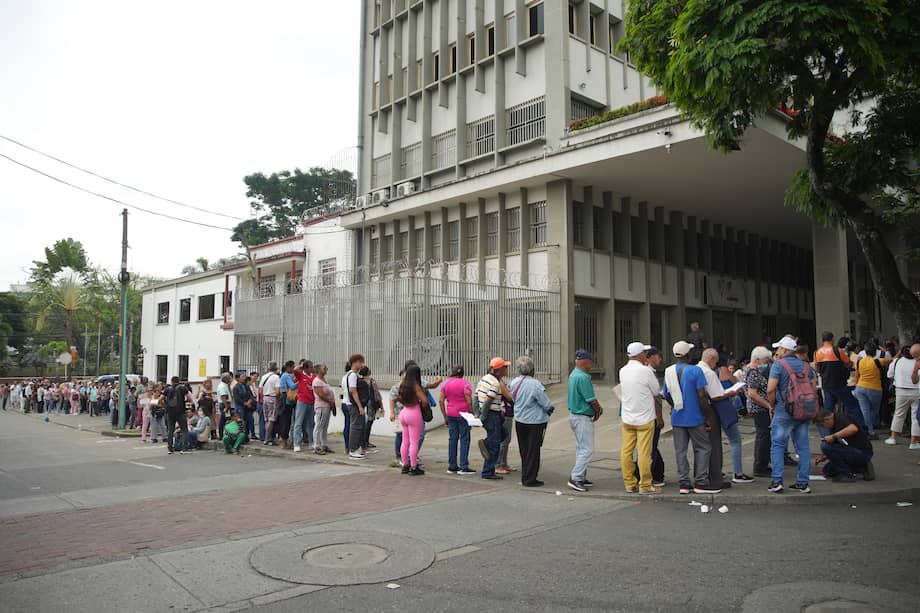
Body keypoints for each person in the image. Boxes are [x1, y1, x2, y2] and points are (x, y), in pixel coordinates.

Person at [662, 341, 719, 495]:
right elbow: (702, 395)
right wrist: (708, 416)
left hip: (677, 417)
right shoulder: (696, 371)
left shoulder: (668, 371)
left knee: (680, 451)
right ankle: (701, 481)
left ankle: (684, 483)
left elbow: (666, 395)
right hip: (695, 417)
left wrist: (676, 405)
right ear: (688, 354)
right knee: (703, 447)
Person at [766, 336, 814, 494]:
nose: (777, 351)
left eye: (779, 348)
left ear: (785, 350)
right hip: (804, 411)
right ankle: (803, 482)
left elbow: (771, 389)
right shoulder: (806, 366)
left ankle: (777, 481)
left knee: (778, 445)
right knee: (803, 447)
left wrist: (772, 405)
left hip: (783, 411)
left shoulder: (778, 365)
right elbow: (813, 389)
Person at [619, 342, 662, 494]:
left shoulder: (622, 371)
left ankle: (629, 483)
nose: (646, 355)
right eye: (644, 352)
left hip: (628, 417)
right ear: (639, 355)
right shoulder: (645, 371)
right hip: (645, 418)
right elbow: (656, 391)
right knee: (644, 453)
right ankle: (645, 485)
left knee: (626, 451)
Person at [699, 348, 745, 486]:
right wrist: (731, 393)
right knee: (718, 444)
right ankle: (718, 476)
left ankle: (706, 474)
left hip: (700, 411)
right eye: (715, 362)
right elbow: (717, 396)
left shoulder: (696, 370)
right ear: (712, 359)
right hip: (713, 411)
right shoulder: (709, 373)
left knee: (703, 446)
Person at [508, 356, 553, 487]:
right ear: (532, 370)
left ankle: (525, 475)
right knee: (534, 450)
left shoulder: (514, 382)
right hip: (535, 421)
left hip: (520, 419)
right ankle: (530, 478)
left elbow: (512, 397)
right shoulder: (535, 384)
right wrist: (550, 409)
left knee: (524, 449)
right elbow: (545, 403)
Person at [567, 350, 603, 492]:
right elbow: (591, 399)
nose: (591, 365)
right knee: (586, 449)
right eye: (590, 362)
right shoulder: (583, 377)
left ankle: (581, 476)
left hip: (575, 415)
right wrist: (599, 410)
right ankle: (576, 477)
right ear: (585, 362)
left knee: (581, 448)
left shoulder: (573, 374)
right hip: (582, 416)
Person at [632, 347, 666, 488]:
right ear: (649, 357)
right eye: (658, 357)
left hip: (639, 415)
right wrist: (659, 416)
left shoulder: (638, 371)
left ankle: (655, 473)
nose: (660, 360)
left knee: (649, 446)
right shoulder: (646, 372)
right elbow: (654, 397)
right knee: (649, 447)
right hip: (647, 416)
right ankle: (647, 474)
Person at [814, 332, 863, 428]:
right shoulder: (837, 350)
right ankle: (861, 427)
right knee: (853, 406)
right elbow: (848, 363)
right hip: (839, 384)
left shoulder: (817, 353)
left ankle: (827, 429)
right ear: (832, 339)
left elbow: (817, 369)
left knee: (828, 409)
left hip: (826, 385)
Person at [477, 356, 513, 481]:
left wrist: (478, 413)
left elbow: (476, 396)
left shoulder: (484, 379)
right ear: (500, 370)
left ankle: (486, 443)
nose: (507, 369)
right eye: (505, 367)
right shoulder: (495, 383)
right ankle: (487, 472)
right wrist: (482, 417)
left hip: (490, 414)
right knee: (494, 444)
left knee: (502, 435)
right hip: (492, 415)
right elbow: (488, 401)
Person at [815, 410, 876, 482]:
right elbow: (836, 447)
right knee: (828, 470)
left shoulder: (841, 418)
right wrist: (824, 457)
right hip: (851, 450)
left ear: (827, 419)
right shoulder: (833, 425)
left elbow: (853, 429)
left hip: (862, 452)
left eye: (823, 425)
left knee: (825, 446)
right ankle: (861, 467)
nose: (824, 427)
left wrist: (833, 436)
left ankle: (846, 474)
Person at [439, 365, 476, 476]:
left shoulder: (445, 384)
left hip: (451, 414)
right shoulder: (466, 384)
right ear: (462, 374)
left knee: (452, 439)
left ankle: (452, 466)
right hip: (464, 414)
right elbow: (469, 402)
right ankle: (464, 466)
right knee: (464, 439)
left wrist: (445, 416)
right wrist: (472, 414)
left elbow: (441, 401)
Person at [744, 346, 774, 477]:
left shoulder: (752, 371)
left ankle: (762, 463)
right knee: (763, 435)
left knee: (764, 435)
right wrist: (768, 405)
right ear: (757, 360)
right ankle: (760, 466)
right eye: (765, 360)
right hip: (759, 408)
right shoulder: (753, 372)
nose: (766, 363)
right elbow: (753, 394)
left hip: (760, 407)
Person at [853, 340, 892, 439]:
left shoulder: (860, 361)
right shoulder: (877, 361)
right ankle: (871, 427)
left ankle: (869, 430)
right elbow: (893, 359)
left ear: (865, 352)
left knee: (865, 409)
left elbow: (857, 375)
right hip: (874, 389)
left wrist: (855, 385)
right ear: (876, 352)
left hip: (860, 388)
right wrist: (886, 350)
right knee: (874, 410)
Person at [886, 344, 920, 448]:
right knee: (915, 417)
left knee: (899, 414)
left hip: (901, 390)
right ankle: (914, 442)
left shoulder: (896, 361)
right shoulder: (917, 362)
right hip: (917, 391)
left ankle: (893, 438)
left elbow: (889, 375)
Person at [398, 364, 428, 475]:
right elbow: (425, 401)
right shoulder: (415, 385)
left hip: (404, 412)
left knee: (405, 441)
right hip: (414, 412)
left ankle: (405, 465)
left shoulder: (402, 384)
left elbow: (399, 398)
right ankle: (414, 467)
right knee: (414, 442)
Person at [342, 354, 367, 460]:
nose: (362, 364)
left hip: (350, 404)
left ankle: (355, 449)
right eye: (360, 362)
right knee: (355, 427)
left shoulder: (348, 375)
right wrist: (360, 406)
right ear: (355, 362)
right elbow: (353, 391)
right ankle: (353, 450)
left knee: (356, 427)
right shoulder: (352, 375)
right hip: (353, 405)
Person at [164, 376, 193, 454]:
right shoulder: (182, 388)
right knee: (184, 430)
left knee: (170, 430)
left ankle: (170, 448)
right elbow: (189, 398)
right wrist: (192, 405)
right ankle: (184, 448)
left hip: (170, 412)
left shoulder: (167, 389)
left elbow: (161, 398)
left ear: (171, 381)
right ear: (179, 381)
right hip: (181, 412)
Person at [311, 363, 336, 455]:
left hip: (327, 406)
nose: (325, 368)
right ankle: (316, 446)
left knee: (324, 427)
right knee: (319, 426)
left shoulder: (324, 380)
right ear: (318, 370)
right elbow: (321, 395)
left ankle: (324, 445)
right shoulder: (317, 381)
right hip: (321, 406)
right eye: (323, 367)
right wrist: (330, 401)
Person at [292, 360, 316, 453]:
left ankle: (311, 442)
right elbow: (295, 370)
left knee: (311, 423)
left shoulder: (313, 376)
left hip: (311, 401)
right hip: (302, 401)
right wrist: (301, 366)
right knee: (298, 422)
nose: (312, 368)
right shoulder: (301, 375)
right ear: (305, 368)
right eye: (310, 367)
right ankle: (296, 443)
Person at [259, 363, 281, 446]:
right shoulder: (276, 377)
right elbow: (277, 391)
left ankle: (267, 437)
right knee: (272, 419)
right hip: (273, 398)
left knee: (266, 419)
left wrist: (262, 398)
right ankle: (267, 438)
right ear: (276, 368)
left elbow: (260, 390)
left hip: (265, 398)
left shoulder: (264, 377)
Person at [277, 361, 297, 450]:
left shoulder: (284, 375)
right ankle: (284, 441)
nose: (293, 369)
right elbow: (292, 386)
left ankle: (284, 440)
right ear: (288, 367)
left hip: (284, 399)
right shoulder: (286, 376)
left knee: (286, 421)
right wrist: (299, 382)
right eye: (292, 367)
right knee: (286, 421)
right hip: (286, 400)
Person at [232, 372, 255, 441]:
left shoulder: (245, 386)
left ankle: (246, 435)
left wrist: (250, 401)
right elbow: (237, 398)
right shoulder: (236, 387)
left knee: (248, 420)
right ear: (237, 378)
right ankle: (240, 437)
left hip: (247, 406)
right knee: (241, 422)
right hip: (240, 407)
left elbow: (251, 395)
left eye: (244, 376)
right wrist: (244, 403)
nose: (243, 378)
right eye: (242, 377)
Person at [216, 373, 232, 439]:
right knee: (224, 420)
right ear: (226, 379)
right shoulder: (222, 386)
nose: (230, 379)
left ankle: (226, 434)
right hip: (224, 404)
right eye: (229, 378)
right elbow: (223, 397)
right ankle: (221, 435)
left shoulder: (225, 385)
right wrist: (226, 406)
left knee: (227, 419)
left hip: (226, 404)